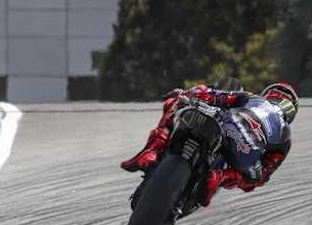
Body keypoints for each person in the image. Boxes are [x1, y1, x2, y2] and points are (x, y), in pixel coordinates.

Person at [120, 81, 299, 205]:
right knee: (255, 177)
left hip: (231, 123)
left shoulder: (252, 98)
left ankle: (153, 149)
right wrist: (236, 175)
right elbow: (264, 174)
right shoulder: (285, 135)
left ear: (268, 94)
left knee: (175, 102)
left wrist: (185, 94)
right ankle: (218, 176)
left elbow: (216, 96)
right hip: (247, 150)